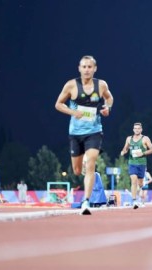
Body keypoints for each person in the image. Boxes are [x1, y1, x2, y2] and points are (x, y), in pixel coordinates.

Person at [55, 55, 114, 215]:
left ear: (95, 69)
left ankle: (86, 201)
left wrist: (107, 108)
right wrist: (73, 112)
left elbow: (109, 98)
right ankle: (85, 197)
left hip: (94, 131)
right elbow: (58, 104)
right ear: (79, 68)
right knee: (76, 169)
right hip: (76, 133)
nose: (87, 69)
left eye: (90, 67)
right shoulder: (71, 85)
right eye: (84, 67)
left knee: (91, 165)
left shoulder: (101, 85)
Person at [120, 122, 152, 209]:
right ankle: (134, 200)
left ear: (141, 129)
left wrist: (142, 153)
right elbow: (126, 148)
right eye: (135, 128)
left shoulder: (145, 138)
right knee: (133, 181)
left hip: (142, 164)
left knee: (140, 184)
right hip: (132, 163)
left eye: (138, 128)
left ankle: (139, 194)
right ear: (133, 129)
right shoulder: (129, 139)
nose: (137, 130)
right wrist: (123, 151)